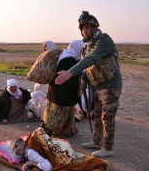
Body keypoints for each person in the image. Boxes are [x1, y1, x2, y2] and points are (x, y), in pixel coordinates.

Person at [55, 11, 123, 157]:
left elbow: (91, 58)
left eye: (87, 27)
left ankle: (108, 147)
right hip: (98, 85)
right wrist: (83, 78)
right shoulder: (88, 45)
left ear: (94, 28)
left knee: (107, 117)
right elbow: (88, 66)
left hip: (111, 86)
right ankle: (97, 142)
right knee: (96, 114)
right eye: (82, 28)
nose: (84, 31)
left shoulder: (103, 41)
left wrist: (70, 72)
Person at [43, 40, 84, 137]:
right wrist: (77, 90)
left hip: (54, 89)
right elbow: (71, 80)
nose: (83, 52)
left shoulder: (63, 54)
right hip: (63, 93)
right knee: (61, 115)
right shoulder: (71, 60)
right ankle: (59, 132)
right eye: (82, 50)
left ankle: (49, 129)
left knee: (53, 113)